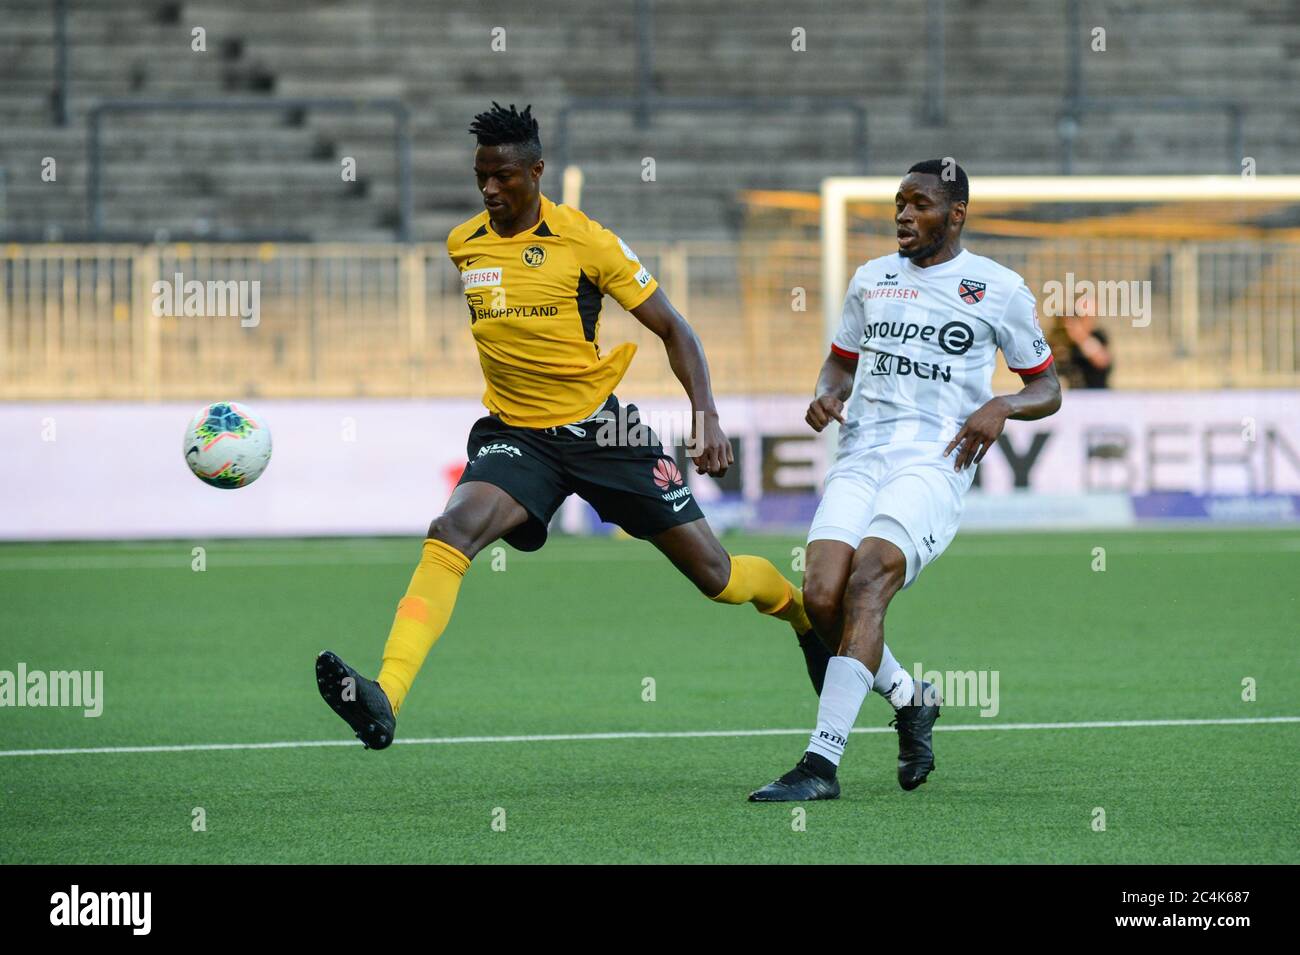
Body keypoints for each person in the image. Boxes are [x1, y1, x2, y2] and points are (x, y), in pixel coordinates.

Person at [315, 103, 829, 749]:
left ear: (536, 171)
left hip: (601, 432)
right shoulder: (463, 244)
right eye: (481, 176)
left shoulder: (588, 241)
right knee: (450, 530)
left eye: (502, 176)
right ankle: (386, 695)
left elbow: (676, 329)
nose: (489, 189)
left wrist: (707, 417)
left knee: (717, 577)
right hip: (518, 437)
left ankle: (800, 610)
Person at [749, 159, 1062, 801]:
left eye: (918, 204)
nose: (902, 215)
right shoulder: (870, 280)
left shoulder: (997, 288)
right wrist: (824, 395)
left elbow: (1048, 386)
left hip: (935, 458)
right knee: (820, 598)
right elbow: (838, 365)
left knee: (868, 580)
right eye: (898, 204)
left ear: (956, 214)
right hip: (860, 453)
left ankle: (820, 765)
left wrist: (1001, 405)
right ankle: (911, 699)